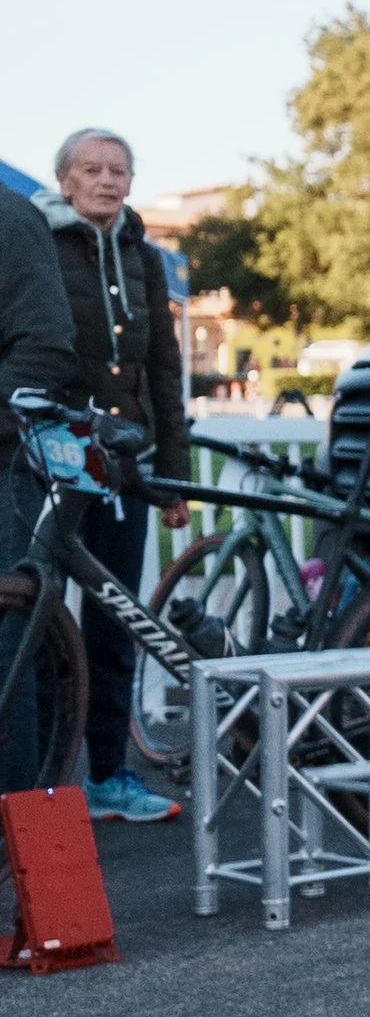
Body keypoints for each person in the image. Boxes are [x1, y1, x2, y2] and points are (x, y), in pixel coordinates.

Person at [42, 133, 190, 820]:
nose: (107, 180)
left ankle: (108, 777)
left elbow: (163, 367)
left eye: (119, 170)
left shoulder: (143, 254)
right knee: (37, 618)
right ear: (65, 180)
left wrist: (175, 476)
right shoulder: (37, 240)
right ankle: (37, 784)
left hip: (124, 459)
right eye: (91, 169)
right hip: (47, 452)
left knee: (113, 619)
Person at [1, 177, 83, 793]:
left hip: (1, 469)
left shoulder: (12, 220)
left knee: (8, 656)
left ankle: (17, 828)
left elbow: (46, 347)